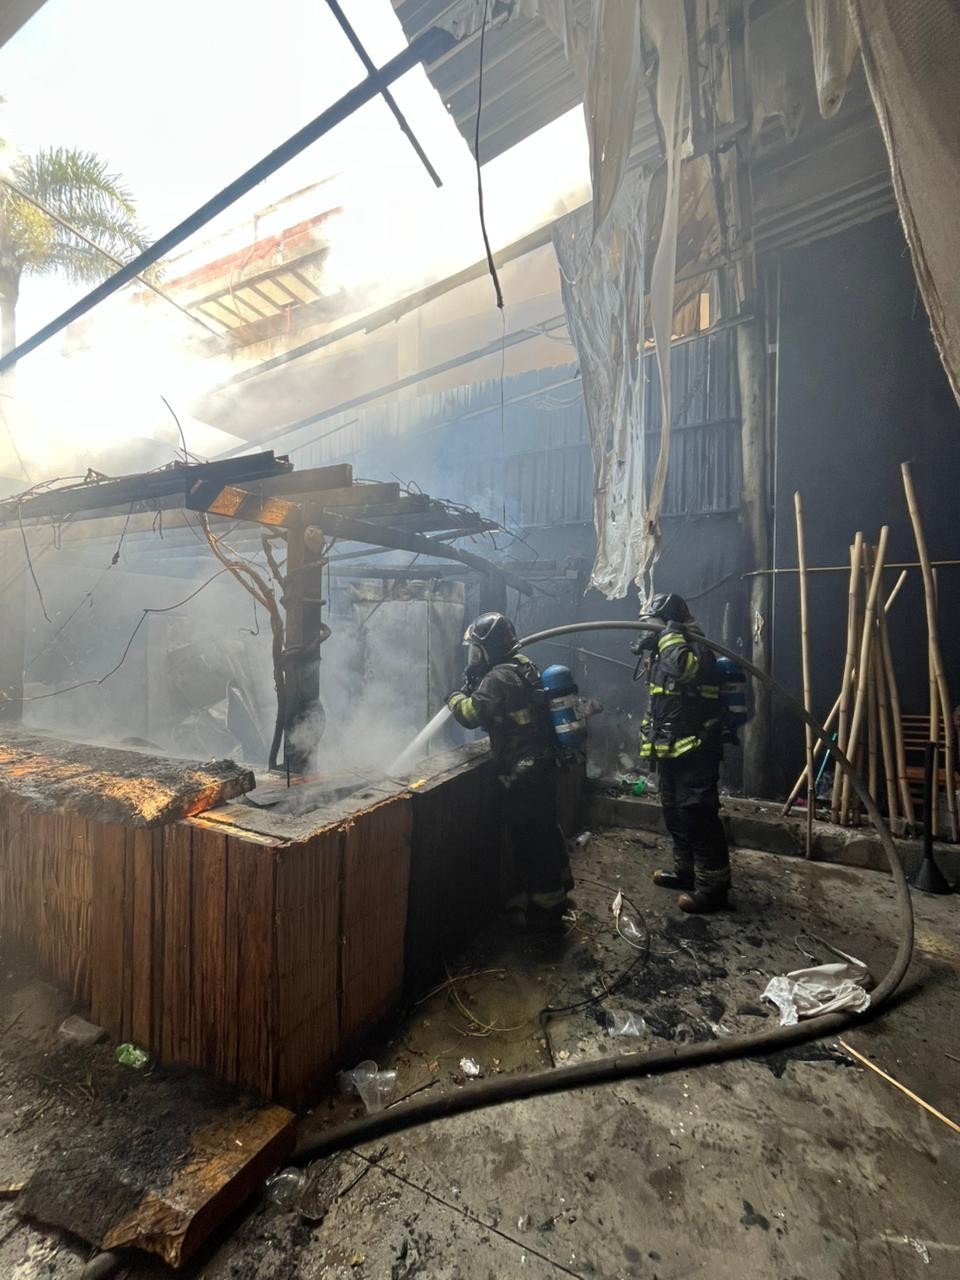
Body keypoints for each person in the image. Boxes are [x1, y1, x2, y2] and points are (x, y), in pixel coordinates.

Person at [447, 612, 573, 928]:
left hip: (523, 773)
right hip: (543, 766)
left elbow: (471, 715)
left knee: (531, 838)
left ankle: (546, 909)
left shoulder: (498, 677)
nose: (474, 658)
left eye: (477, 650)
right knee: (546, 828)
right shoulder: (524, 665)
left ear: (490, 648)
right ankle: (559, 886)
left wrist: (453, 698)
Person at [632, 592, 731, 913]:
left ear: (669, 622)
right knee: (675, 813)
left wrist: (670, 636)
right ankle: (686, 872)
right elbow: (662, 701)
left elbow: (687, 671)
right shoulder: (665, 652)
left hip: (696, 750)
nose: (645, 629)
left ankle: (712, 888)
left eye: (650, 624)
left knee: (698, 815)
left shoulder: (696, 649)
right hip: (672, 750)